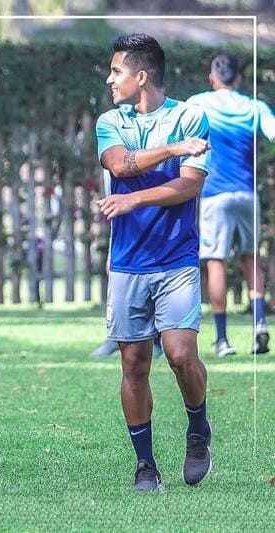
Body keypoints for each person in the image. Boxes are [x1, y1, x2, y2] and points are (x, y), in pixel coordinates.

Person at [96, 33, 212, 492]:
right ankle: (146, 466)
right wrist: (170, 149)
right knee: (134, 364)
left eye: (117, 71)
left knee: (182, 355)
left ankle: (198, 429)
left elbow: (189, 186)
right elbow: (120, 165)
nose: (110, 79)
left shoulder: (191, 116)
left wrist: (134, 201)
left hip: (177, 258)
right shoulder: (111, 120)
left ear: (141, 76)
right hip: (128, 263)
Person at [187, 53, 273, 357]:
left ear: (212, 78)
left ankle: (223, 339)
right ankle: (260, 323)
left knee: (216, 262)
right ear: (238, 79)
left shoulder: (198, 103)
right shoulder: (254, 106)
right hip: (248, 195)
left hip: (215, 195)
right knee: (251, 260)